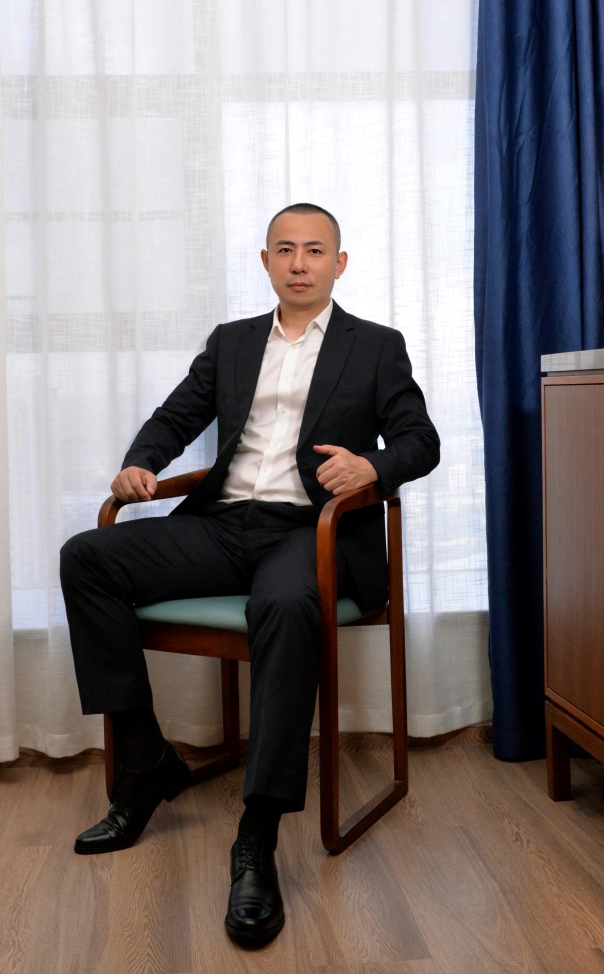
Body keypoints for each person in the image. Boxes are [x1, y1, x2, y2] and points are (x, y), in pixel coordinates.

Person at [60, 203, 440, 944]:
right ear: (265, 261)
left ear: (339, 264)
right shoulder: (232, 341)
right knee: (88, 556)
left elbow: (420, 440)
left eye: (315, 250)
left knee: (286, 607)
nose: (300, 263)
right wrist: (141, 462)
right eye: (285, 250)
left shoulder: (375, 346)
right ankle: (144, 761)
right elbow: (176, 416)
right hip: (223, 524)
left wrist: (373, 466)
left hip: (312, 532)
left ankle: (257, 835)